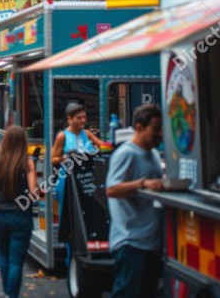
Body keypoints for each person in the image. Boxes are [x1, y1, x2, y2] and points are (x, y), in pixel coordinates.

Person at [106, 105, 164, 298]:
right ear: (139, 127)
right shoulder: (126, 153)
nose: (160, 134)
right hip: (131, 243)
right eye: (155, 128)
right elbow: (112, 189)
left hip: (152, 243)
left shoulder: (154, 154)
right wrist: (142, 183)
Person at [0, 126, 38, 298]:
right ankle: (11, 295)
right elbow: (33, 192)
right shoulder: (27, 163)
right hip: (20, 216)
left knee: (3, 254)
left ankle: (6, 292)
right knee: (16, 260)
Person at [52, 103, 104, 212]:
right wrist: (64, 158)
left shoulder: (87, 134)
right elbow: (53, 159)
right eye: (79, 118)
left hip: (86, 179)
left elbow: (103, 147)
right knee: (69, 212)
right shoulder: (62, 136)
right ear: (69, 119)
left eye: (84, 117)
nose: (83, 120)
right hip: (67, 179)